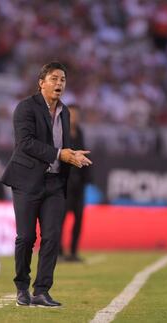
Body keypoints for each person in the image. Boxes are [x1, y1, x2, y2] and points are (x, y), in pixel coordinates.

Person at [1, 62, 92, 307]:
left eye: (62, 79)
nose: (59, 83)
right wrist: (60, 154)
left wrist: (72, 156)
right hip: (27, 181)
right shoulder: (25, 108)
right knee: (26, 237)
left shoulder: (65, 112)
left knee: (52, 237)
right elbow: (26, 143)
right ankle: (22, 287)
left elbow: (63, 146)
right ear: (41, 83)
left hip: (54, 182)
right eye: (54, 78)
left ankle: (41, 291)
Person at [59, 104, 90, 262]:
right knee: (60, 219)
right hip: (64, 183)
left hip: (78, 185)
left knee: (78, 219)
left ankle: (73, 252)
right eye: (72, 114)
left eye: (77, 114)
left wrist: (86, 178)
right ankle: (58, 252)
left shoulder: (80, 132)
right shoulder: (60, 132)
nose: (75, 117)